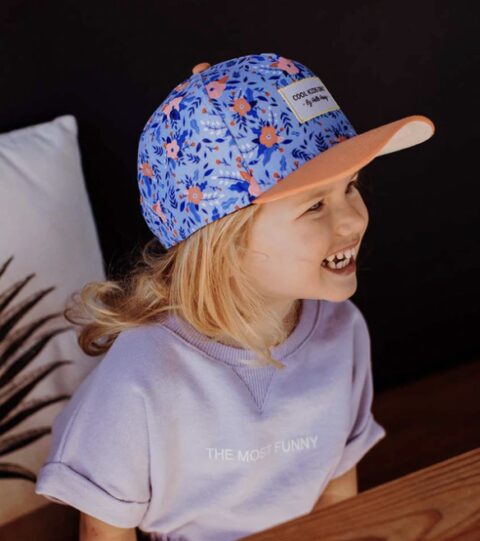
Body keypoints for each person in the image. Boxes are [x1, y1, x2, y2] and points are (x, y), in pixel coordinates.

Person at [34, 52, 435, 541]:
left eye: (351, 186)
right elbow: (105, 532)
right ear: (224, 243)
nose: (354, 218)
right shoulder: (142, 378)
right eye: (315, 206)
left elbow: (336, 497)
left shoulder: (343, 331)